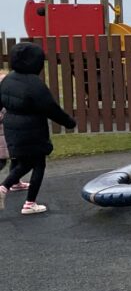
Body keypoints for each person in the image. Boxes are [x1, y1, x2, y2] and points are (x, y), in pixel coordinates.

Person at [0, 42, 77, 215]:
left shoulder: (8, 79)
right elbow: (51, 108)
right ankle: (28, 202)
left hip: (11, 125)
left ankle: (12, 185)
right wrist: (69, 123)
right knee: (38, 163)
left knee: (20, 158)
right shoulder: (35, 84)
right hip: (32, 127)